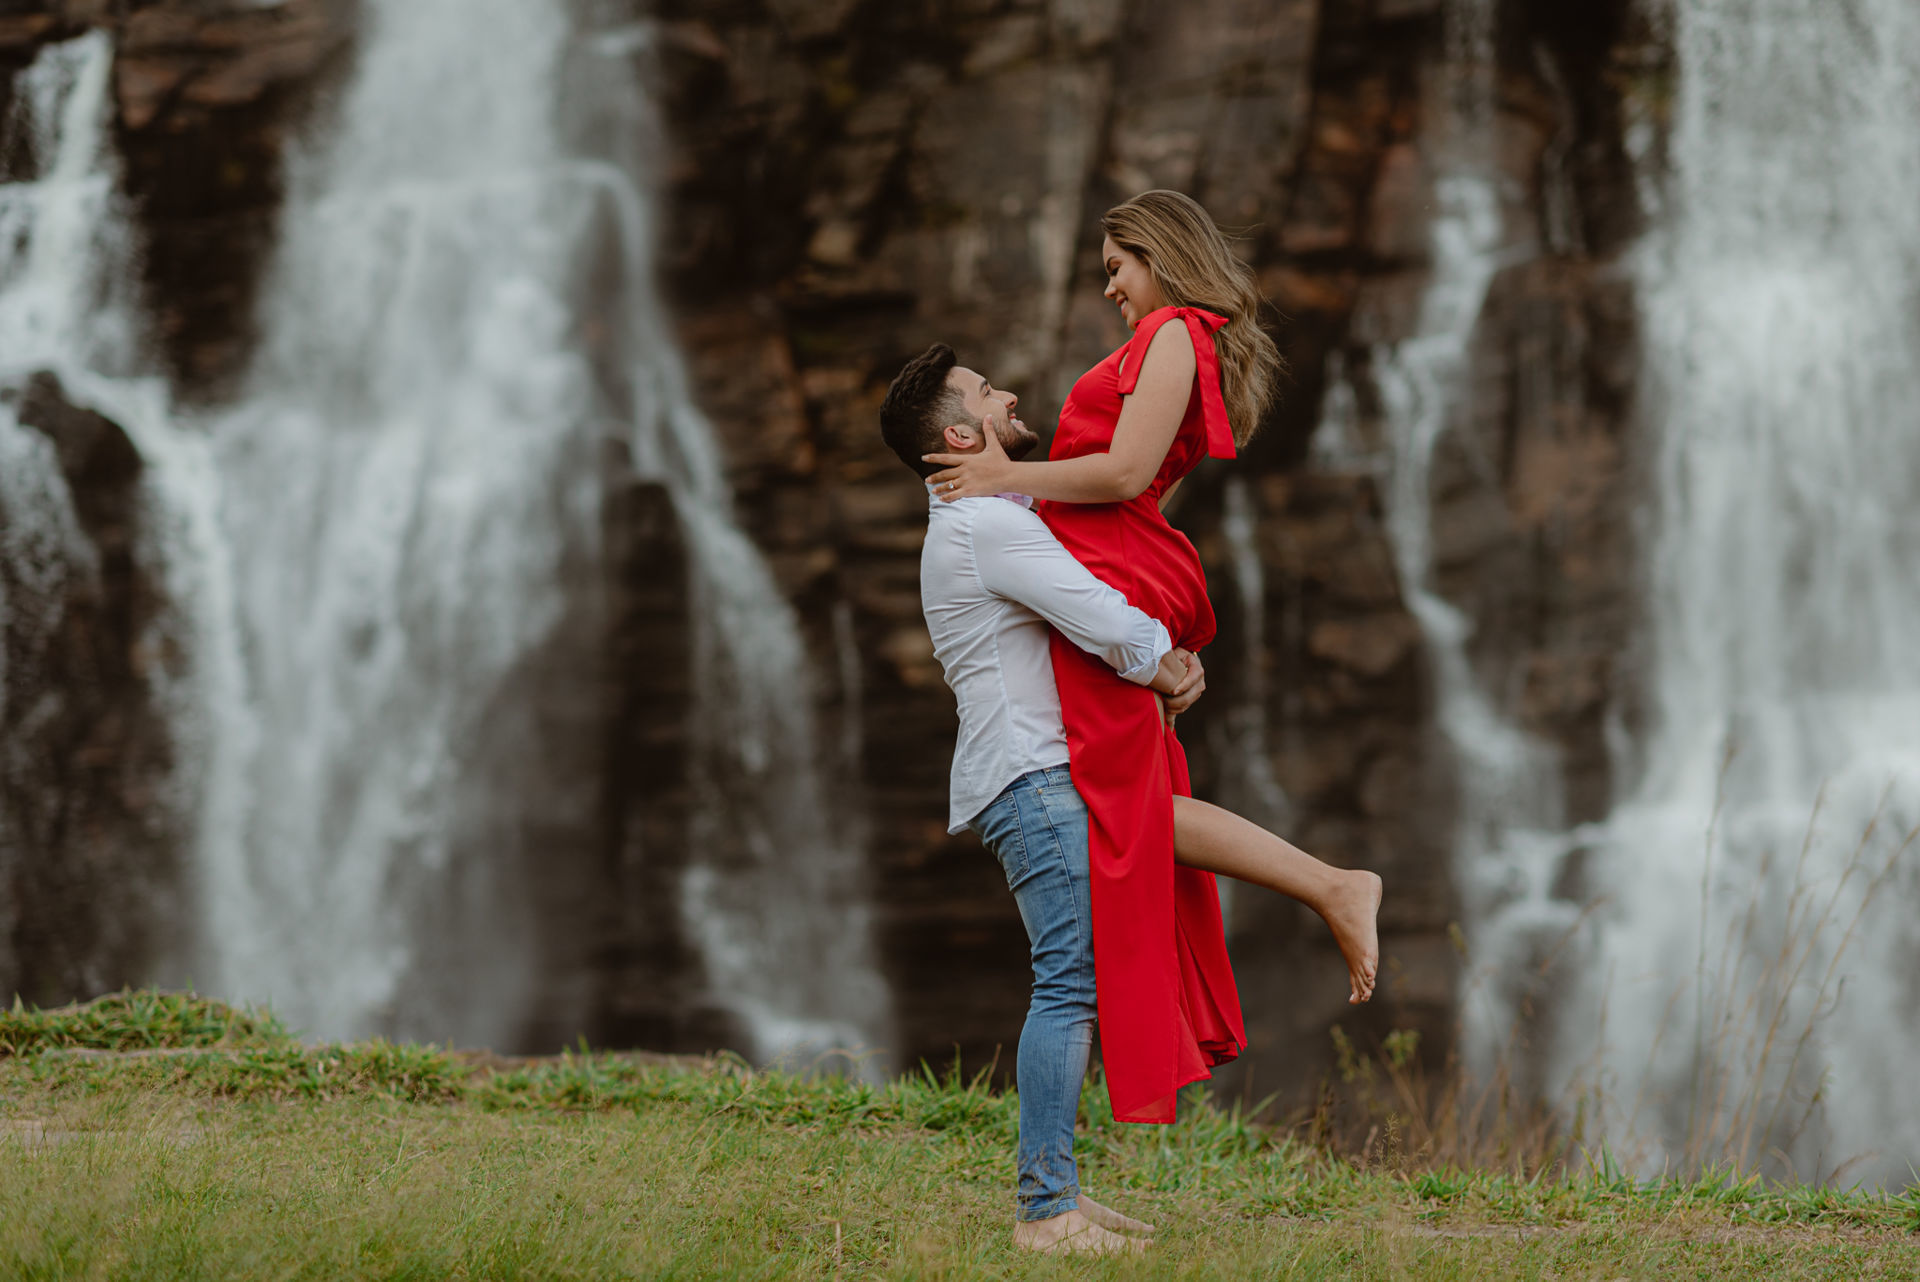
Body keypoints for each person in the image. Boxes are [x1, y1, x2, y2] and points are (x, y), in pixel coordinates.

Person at [881, 342, 1380, 1254]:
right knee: (1067, 983)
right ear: (961, 434)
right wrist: (1166, 661)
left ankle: (1335, 885)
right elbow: (1094, 612)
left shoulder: (996, 511)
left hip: (1039, 776)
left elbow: (1112, 511)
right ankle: (1045, 1210)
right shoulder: (983, 524)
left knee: (1084, 962)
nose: (1011, 394)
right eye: (989, 393)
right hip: (1032, 781)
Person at [920, 190, 1383, 1127]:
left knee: (1120, 804)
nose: (1111, 288)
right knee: (1122, 801)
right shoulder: (1166, 337)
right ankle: (1328, 886)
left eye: (1116, 267)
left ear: (1159, 254)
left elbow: (1129, 476)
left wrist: (1010, 478)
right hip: (1107, 571)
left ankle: (1333, 884)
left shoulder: (1176, 329)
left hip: (1112, 563)